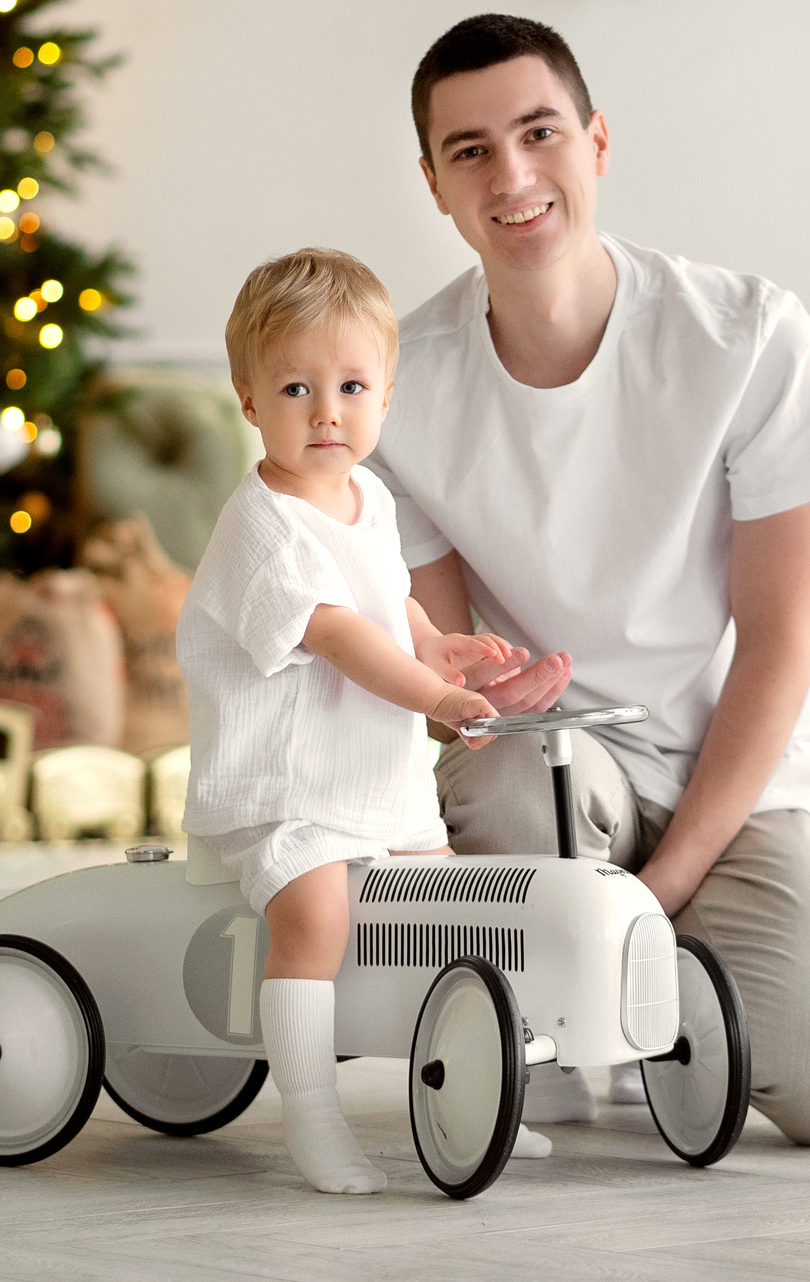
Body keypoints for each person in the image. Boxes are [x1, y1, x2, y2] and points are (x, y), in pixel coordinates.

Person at [364, 14, 810, 1147]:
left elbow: (774, 649)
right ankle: (552, 1016)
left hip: (742, 775)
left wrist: (661, 892)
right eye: (469, 151)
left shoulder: (748, 338)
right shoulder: (402, 388)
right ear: (433, 183)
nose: (511, 175)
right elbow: (459, 692)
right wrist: (465, 690)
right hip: (564, 774)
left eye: (539, 132)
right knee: (507, 778)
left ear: (596, 143)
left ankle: (644, 970)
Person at [175, 247, 555, 1195]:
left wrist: (440, 646)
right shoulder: (262, 525)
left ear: (386, 393)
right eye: (296, 387)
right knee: (315, 917)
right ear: (251, 399)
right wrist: (435, 698)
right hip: (285, 787)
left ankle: (469, 1094)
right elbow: (341, 636)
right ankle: (311, 1114)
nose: (326, 411)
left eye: (350, 385)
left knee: (446, 919)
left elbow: (387, 609)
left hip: (374, 788)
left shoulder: (368, 498)